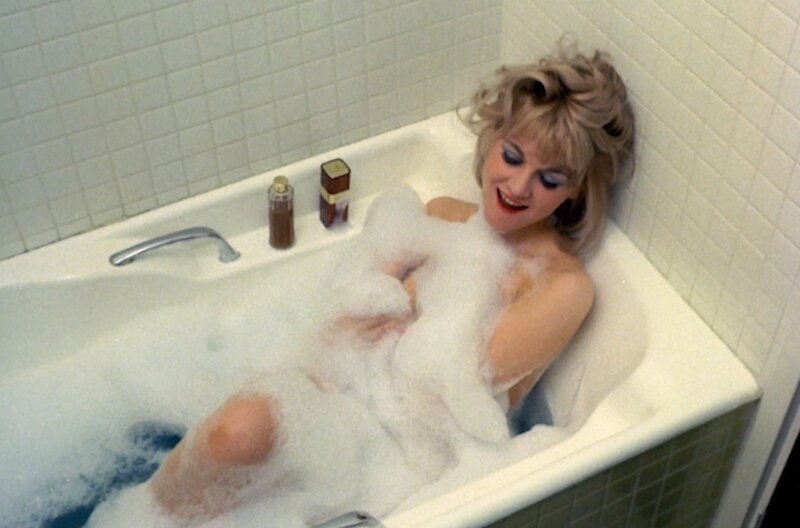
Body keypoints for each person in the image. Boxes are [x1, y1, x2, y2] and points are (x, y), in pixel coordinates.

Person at [147, 43, 635, 522]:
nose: (519, 186)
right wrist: (354, 323)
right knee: (234, 432)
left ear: (577, 189)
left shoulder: (563, 286)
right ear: (491, 140)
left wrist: (391, 308)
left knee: (245, 433)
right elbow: (351, 308)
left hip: (405, 446)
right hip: (338, 386)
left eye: (550, 180)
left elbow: (455, 377)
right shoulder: (444, 214)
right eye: (512, 156)